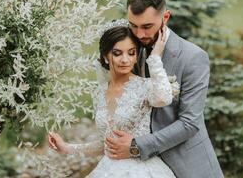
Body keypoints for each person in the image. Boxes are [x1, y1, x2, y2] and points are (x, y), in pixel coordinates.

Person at [104, 0, 224, 178]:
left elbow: (189, 123)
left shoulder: (193, 57)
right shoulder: (129, 51)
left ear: (165, 17)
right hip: (139, 169)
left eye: (147, 26)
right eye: (133, 25)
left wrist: (137, 146)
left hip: (186, 165)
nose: (140, 34)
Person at [48, 21, 178, 177]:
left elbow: (164, 99)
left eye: (131, 53)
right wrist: (67, 148)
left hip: (141, 169)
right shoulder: (98, 93)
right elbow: (107, 145)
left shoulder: (146, 86)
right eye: (117, 53)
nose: (125, 60)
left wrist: (155, 57)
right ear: (105, 56)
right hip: (108, 169)